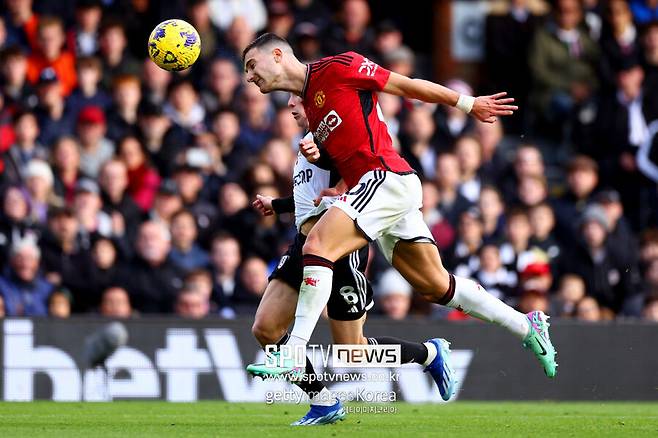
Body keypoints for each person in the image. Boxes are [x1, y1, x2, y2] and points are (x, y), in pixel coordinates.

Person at [242, 33, 556, 381]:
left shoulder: (339, 67)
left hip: (386, 179)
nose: (249, 76)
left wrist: (467, 104)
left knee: (317, 245)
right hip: (378, 190)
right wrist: (340, 187)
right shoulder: (311, 109)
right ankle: (525, 325)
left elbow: (406, 86)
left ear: (276, 55)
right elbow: (354, 148)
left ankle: (294, 351)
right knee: (437, 286)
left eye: (252, 65)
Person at [247, 94, 454, 425]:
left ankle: (429, 353)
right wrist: (278, 204)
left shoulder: (333, 139)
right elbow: (310, 199)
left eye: (296, 101)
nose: (290, 106)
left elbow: (359, 168)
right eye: (287, 102)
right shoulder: (303, 145)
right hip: (304, 245)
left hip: (340, 249)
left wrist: (324, 154)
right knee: (266, 328)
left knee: (352, 352)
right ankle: (323, 402)